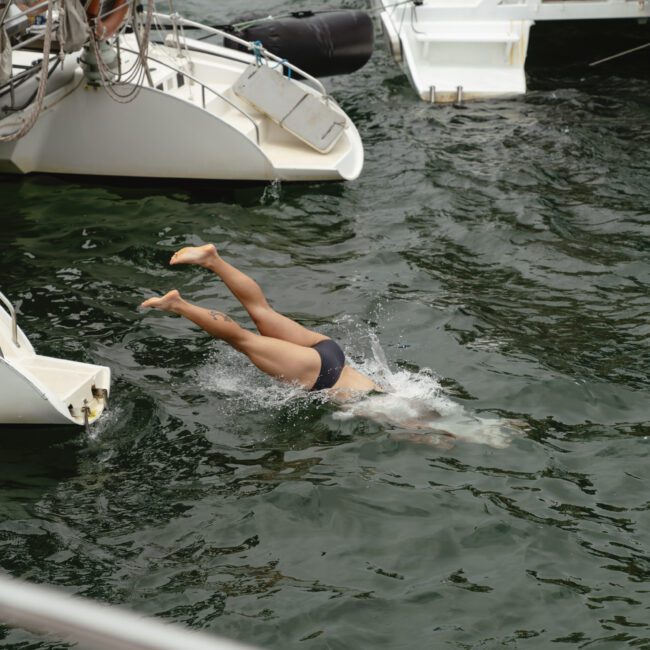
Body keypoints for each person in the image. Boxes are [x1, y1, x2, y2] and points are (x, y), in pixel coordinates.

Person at [141, 244, 379, 397]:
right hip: (321, 376)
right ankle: (178, 305)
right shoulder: (404, 418)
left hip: (332, 354)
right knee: (243, 340)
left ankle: (211, 259)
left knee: (262, 311)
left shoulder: (400, 397)